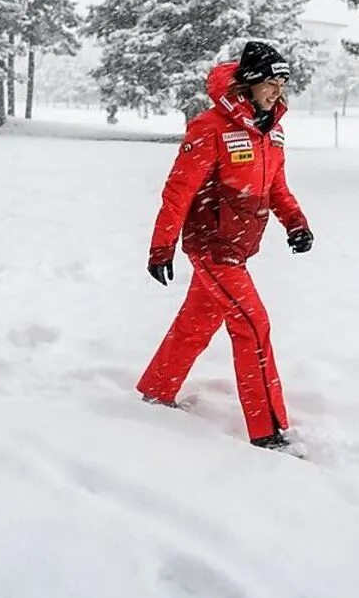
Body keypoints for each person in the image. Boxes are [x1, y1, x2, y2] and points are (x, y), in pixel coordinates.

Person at [136, 41, 314, 454]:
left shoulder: (273, 131)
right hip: (213, 247)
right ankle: (268, 431)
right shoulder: (210, 127)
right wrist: (162, 247)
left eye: (282, 84)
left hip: (239, 245)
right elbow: (179, 190)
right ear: (249, 83)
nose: (277, 91)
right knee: (253, 326)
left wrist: (296, 223)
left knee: (195, 324)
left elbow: (276, 187)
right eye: (270, 83)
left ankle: (157, 389)